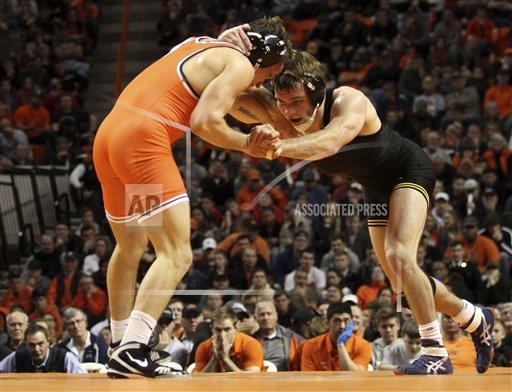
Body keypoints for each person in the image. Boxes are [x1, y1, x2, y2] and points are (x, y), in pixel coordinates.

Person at [221, 29, 495, 375]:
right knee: (401, 281)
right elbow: (228, 94)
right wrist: (223, 51)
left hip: (407, 169)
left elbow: (330, 142)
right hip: (374, 187)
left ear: (317, 94)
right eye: (282, 102)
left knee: (400, 255)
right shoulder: (280, 110)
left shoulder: (348, 100)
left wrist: (274, 146)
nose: (288, 111)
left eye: (297, 103)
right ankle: (473, 317)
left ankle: (434, 351)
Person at [94, 17, 290, 378]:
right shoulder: (242, 65)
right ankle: (134, 348)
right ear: (264, 60)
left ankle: (119, 346)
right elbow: (204, 122)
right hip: (141, 141)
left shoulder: (196, 44)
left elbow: (229, 103)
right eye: (270, 74)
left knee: (131, 245)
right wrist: (249, 143)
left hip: (110, 138)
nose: (265, 81)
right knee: (177, 252)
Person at [300, 302, 372, 371]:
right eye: (337, 321)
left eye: (346, 321)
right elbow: (308, 378)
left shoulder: (363, 346)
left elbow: (355, 375)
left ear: (351, 322)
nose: (342, 326)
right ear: (327, 323)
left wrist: (340, 345)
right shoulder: (310, 346)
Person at [194, 307, 263, 372]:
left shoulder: (251, 345)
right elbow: (198, 380)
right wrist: (214, 359)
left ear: (236, 328)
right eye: (218, 330)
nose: (222, 335)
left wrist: (225, 359)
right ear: (211, 328)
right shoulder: (204, 347)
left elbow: (252, 379)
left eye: (227, 329)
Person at [0, 324, 86, 373]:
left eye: (40, 344)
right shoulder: (17, 356)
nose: (36, 349)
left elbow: (83, 379)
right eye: (31, 345)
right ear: (25, 344)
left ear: (48, 342)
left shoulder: (64, 357)